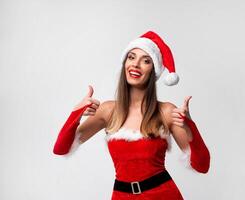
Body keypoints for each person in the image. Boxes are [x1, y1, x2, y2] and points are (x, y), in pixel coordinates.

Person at [53, 31, 210, 200]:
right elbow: (60, 149)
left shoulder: (166, 112)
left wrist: (189, 125)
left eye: (146, 61)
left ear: (154, 70)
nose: (136, 64)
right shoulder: (108, 110)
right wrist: (76, 112)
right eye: (131, 57)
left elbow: (202, 166)